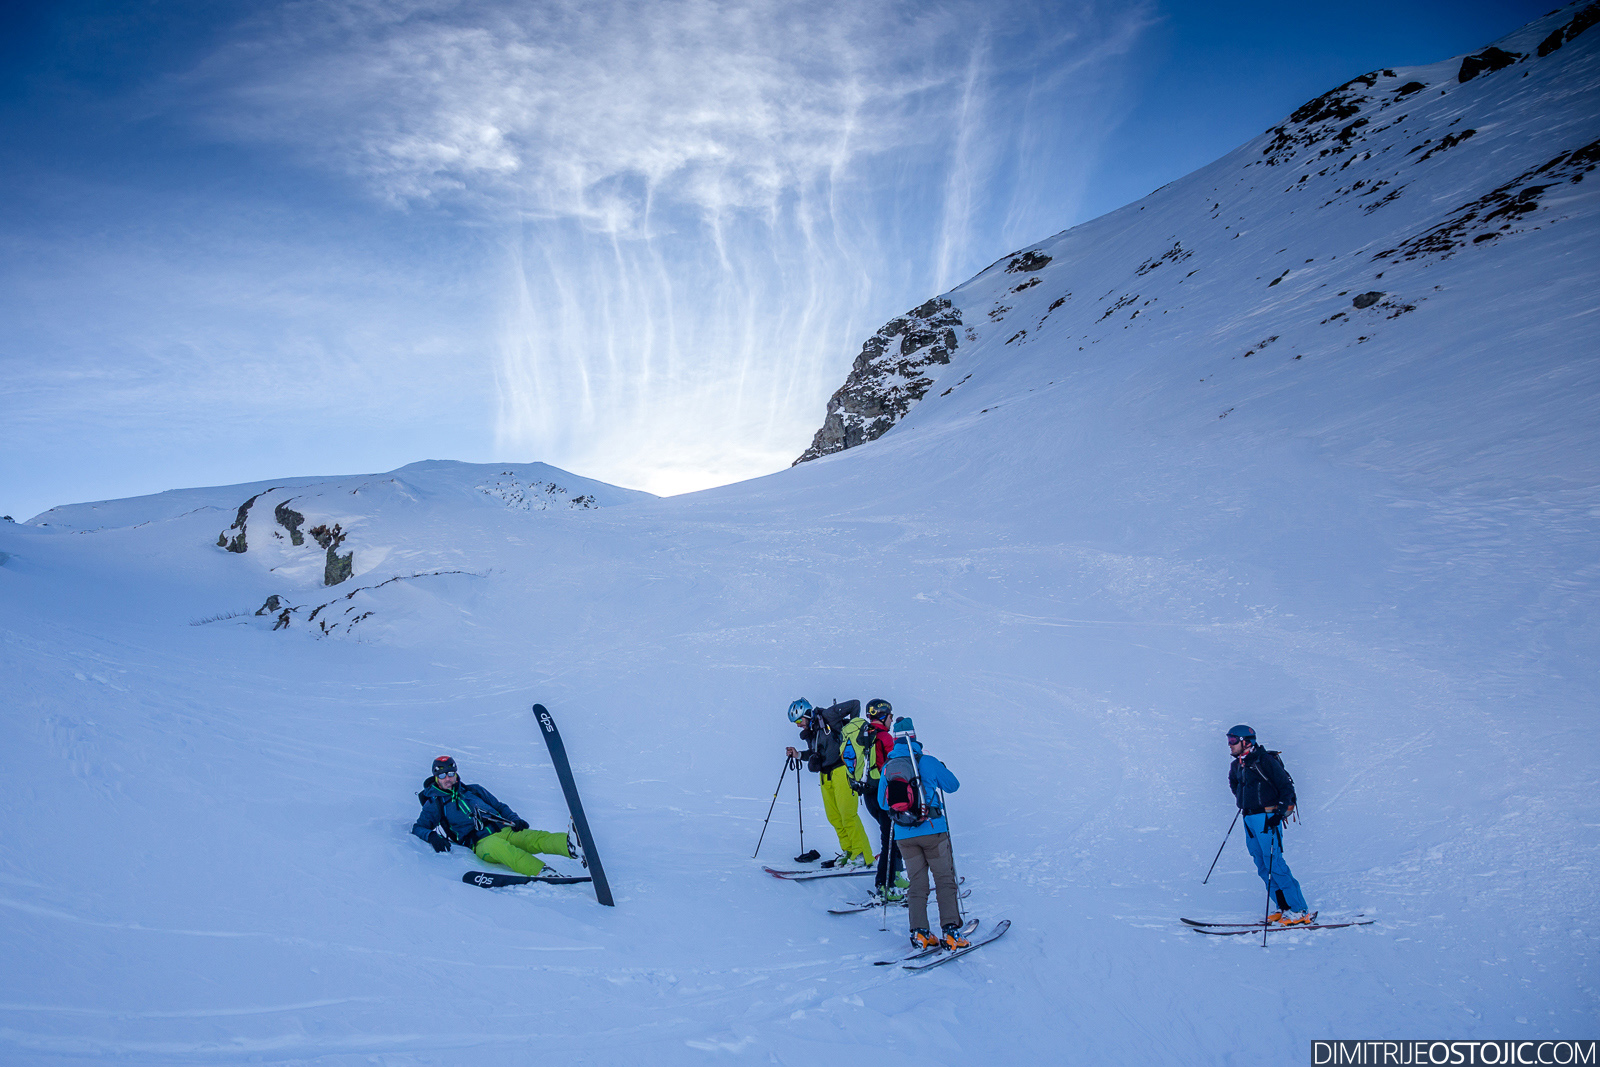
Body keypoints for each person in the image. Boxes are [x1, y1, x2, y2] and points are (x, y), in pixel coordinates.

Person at [878, 716, 967, 950]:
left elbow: (882, 802)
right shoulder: (927, 761)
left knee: (917, 882)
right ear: (915, 737)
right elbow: (953, 785)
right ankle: (950, 932)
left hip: (904, 835)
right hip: (932, 830)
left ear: (895, 740)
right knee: (944, 880)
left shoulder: (888, 767)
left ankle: (920, 932)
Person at [412, 756, 577, 878]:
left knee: (535, 837)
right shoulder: (435, 803)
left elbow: (499, 806)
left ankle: (571, 846)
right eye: (442, 776)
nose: (447, 779)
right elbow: (419, 827)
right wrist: (432, 836)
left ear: (456, 774)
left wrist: (515, 819)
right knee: (499, 847)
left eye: (450, 774)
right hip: (481, 843)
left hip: (504, 829)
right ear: (436, 778)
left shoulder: (474, 790)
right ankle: (542, 872)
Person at [1226, 725, 1312, 925]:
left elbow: (1286, 787)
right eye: (1228, 740)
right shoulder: (1236, 765)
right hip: (1248, 818)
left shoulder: (1265, 760)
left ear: (1246, 742)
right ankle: (1283, 908)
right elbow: (1233, 783)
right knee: (1262, 864)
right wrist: (1244, 800)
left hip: (1267, 817)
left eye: (1233, 740)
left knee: (1275, 863)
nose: (1229, 745)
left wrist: (1279, 813)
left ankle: (1299, 910)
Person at [786, 698, 874, 868]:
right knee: (834, 817)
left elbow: (855, 704)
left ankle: (862, 854)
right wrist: (798, 755)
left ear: (806, 713)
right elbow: (814, 752)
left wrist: (852, 732)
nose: (798, 725)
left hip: (842, 770)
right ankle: (849, 852)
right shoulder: (811, 731)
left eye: (798, 720)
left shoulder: (827, 716)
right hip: (825, 776)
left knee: (848, 814)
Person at [843, 698, 905, 900]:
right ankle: (883, 885)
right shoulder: (885, 737)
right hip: (883, 794)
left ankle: (895, 875)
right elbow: (895, 764)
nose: (892, 719)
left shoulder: (864, 734)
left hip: (867, 793)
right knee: (889, 839)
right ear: (883, 716)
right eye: (890, 716)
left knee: (893, 836)